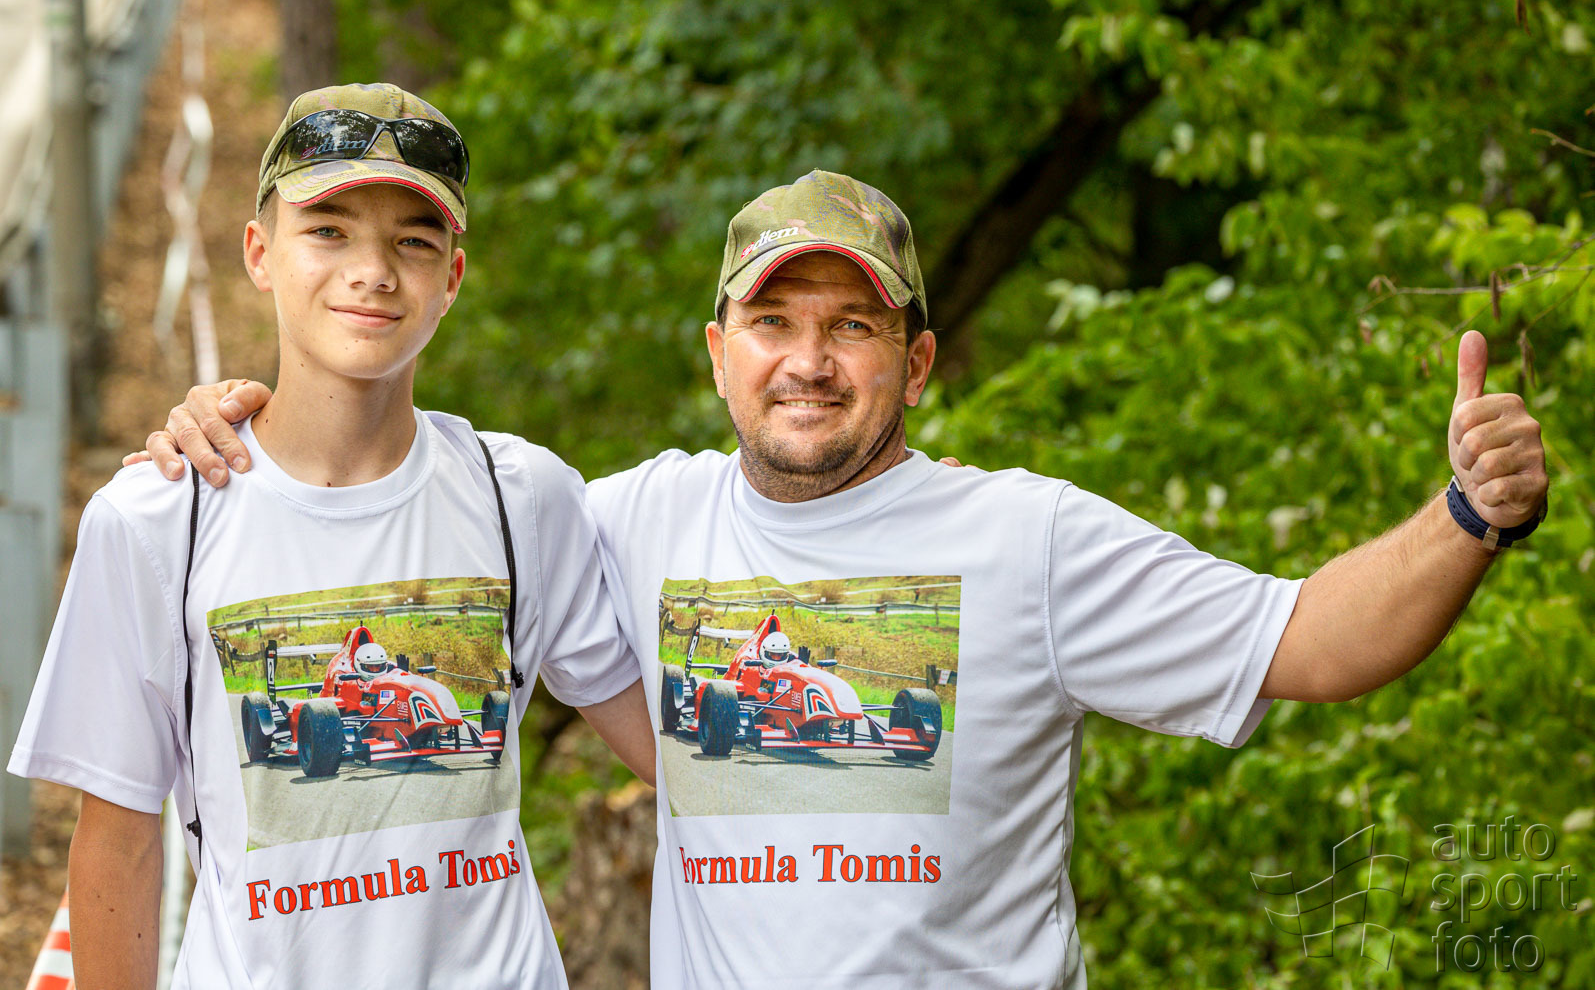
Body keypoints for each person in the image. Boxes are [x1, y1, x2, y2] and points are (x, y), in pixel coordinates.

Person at [135, 169, 1548, 988]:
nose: (806, 360)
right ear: (718, 353)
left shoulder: (1028, 539)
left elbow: (1307, 639)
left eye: (851, 325)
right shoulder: (612, 520)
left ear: (913, 361)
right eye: (772, 319)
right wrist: (243, 424)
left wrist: (1464, 515)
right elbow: (377, 528)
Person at [9, 83, 653, 990]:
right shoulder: (158, 518)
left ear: (451, 278)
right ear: (259, 252)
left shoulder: (524, 496)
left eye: (413, 241)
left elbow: (685, 758)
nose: (373, 271)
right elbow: (117, 842)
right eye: (328, 230)